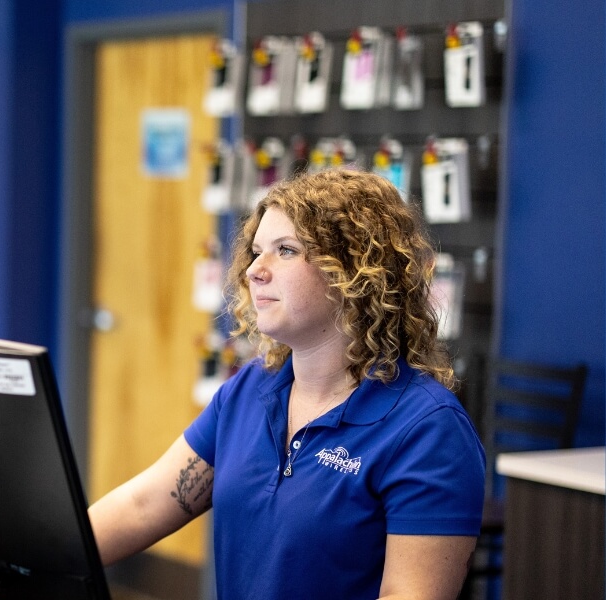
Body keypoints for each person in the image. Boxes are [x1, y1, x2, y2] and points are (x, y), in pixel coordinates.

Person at [88, 169, 485, 599]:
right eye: (256, 251)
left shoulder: (428, 429)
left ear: (354, 273)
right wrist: (25, 564)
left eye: (286, 250)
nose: (255, 271)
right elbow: (143, 506)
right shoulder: (249, 392)